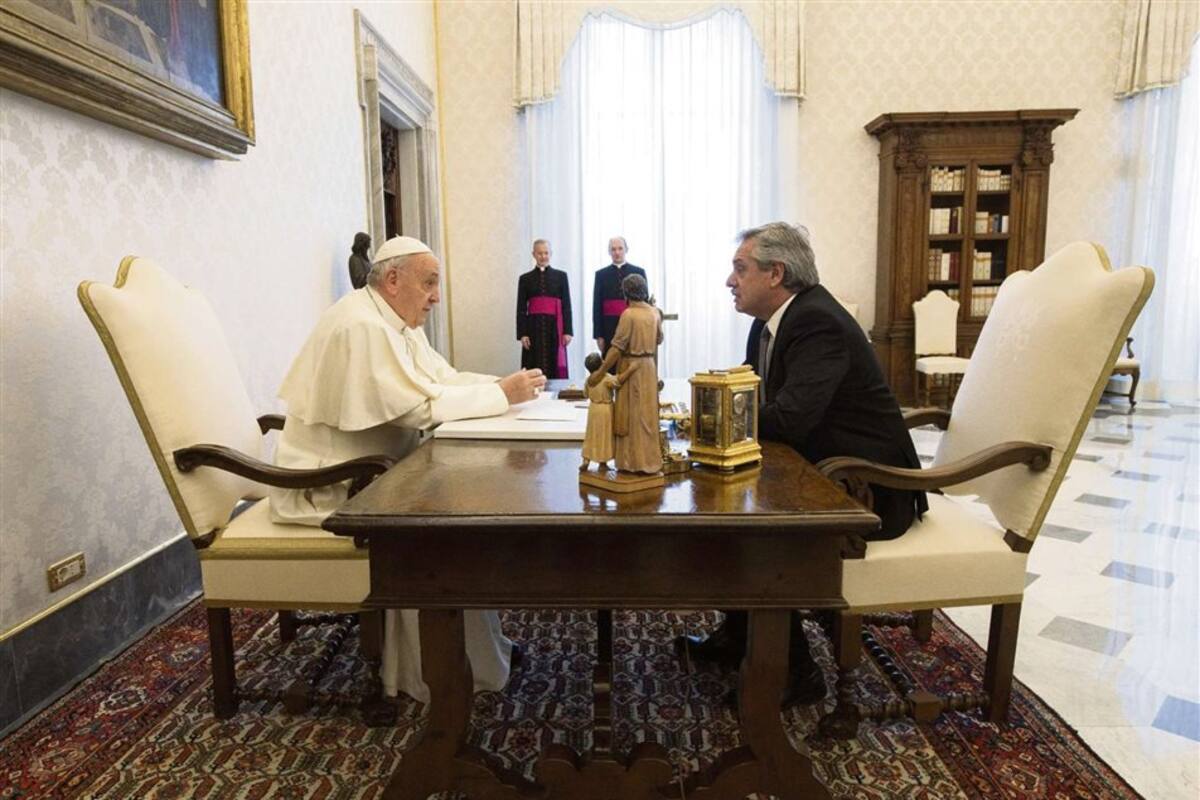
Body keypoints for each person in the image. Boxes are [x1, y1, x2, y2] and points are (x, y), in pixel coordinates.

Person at [270, 235, 546, 705]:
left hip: (379, 470)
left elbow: (441, 378)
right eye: (430, 283)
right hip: (335, 485)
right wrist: (502, 394)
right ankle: (441, 669)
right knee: (449, 516)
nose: (437, 297)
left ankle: (478, 652)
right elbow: (418, 409)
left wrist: (505, 386)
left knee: (465, 499)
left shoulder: (393, 319)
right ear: (393, 279)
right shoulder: (361, 326)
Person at [681, 221, 927, 707]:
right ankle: (740, 636)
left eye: (739, 269)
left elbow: (789, 419)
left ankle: (794, 674)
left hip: (867, 489)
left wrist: (703, 421)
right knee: (721, 501)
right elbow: (756, 404)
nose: (730, 281)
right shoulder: (767, 324)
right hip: (821, 466)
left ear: (775, 273)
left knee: (758, 528)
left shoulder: (819, 322)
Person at [588, 274, 662, 474]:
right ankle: (650, 460)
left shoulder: (629, 314)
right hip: (649, 367)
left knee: (632, 417)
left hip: (632, 367)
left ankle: (633, 462)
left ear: (627, 292)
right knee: (647, 416)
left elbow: (616, 348)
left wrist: (601, 371)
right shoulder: (654, 312)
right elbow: (659, 339)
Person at [516, 239, 573, 378]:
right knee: (533, 363)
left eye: (546, 253)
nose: (543, 256)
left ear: (551, 254)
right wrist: (523, 334)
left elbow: (567, 305)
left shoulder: (561, 276)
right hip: (533, 328)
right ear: (533, 254)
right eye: (540, 253)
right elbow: (521, 308)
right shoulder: (525, 278)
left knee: (554, 366)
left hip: (555, 328)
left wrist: (568, 331)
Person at [580, 351, 636, 472]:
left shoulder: (588, 380)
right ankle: (602, 462)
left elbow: (585, 394)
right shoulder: (606, 378)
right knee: (604, 436)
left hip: (593, 409)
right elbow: (619, 380)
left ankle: (586, 460)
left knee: (591, 435)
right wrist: (631, 369)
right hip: (605, 409)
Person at [591, 237, 647, 355]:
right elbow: (597, 306)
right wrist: (598, 335)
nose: (617, 252)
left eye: (620, 249)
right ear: (609, 252)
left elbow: (645, 303)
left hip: (634, 325)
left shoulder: (639, 272)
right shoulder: (601, 275)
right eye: (613, 249)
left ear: (626, 250)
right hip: (609, 327)